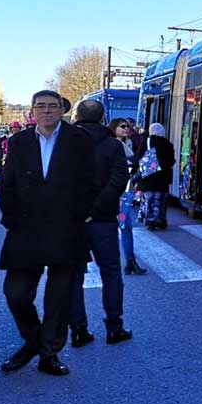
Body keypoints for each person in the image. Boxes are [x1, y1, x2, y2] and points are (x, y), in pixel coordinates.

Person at [0, 90, 95, 376]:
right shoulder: (18, 142)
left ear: (62, 110)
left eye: (53, 106)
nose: (47, 111)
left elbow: (92, 180)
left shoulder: (79, 140)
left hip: (66, 228)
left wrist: (83, 213)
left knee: (59, 299)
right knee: (15, 294)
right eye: (41, 106)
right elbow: (7, 182)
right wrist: (11, 218)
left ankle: (49, 354)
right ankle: (34, 342)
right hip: (26, 229)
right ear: (32, 111)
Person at [67, 101, 134, 347]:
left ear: (77, 116)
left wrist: (80, 211)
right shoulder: (112, 145)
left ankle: (78, 329)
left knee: (74, 276)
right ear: (103, 117)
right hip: (103, 219)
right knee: (112, 274)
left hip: (73, 220)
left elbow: (61, 181)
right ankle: (114, 327)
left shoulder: (65, 142)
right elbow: (119, 179)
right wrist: (96, 210)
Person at [108, 118, 147, 275]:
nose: (126, 129)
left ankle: (130, 261)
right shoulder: (113, 145)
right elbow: (128, 164)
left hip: (125, 192)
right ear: (113, 128)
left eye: (128, 127)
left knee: (126, 227)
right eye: (122, 126)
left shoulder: (128, 143)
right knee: (118, 228)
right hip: (115, 193)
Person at [137, 123, 176, 230]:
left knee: (149, 199)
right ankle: (160, 220)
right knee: (160, 199)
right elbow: (172, 160)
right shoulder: (168, 144)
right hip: (163, 178)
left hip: (149, 176)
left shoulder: (147, 142)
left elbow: (140, 156)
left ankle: (150, 221)